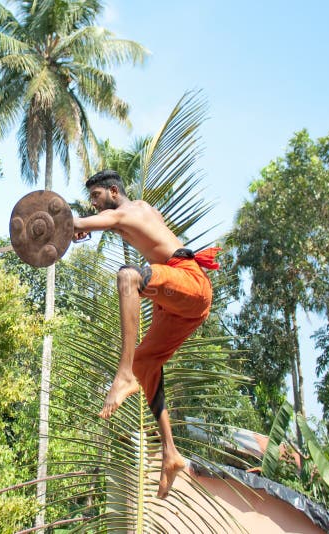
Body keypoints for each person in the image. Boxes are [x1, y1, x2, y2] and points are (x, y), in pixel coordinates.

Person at [72, 169, 220, 499]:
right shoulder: (141, 207)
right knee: (146, 365)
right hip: (176, 304)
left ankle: (123, 375)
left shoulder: (125, 212)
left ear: (113, 191)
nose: (94, 205)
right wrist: (79, 232)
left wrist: (69, 228)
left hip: (191, 284)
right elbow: (135, 230)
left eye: (96, 197)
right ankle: (171, 453)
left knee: (128, 277)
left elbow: (80, 223)